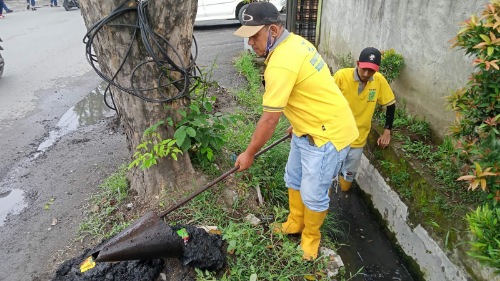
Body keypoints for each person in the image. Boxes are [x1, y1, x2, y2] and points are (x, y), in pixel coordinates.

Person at [233, 2, 358, 260]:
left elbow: (268, 120)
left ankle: (311, 236)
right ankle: (295, 222)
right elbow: (312, 86)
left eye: (254, 36)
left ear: (274, 31)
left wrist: (249, 153)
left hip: (327, 135)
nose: (250, 43)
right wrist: (298, 119)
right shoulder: (297, 42)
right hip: (306, 128)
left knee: (314, 194)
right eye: (248, 37)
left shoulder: (281, 63)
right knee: (293, 177)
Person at [332, 47, 396, 192]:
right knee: (328, 175)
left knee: (349, 174)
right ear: (357, 63)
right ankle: (323, 209)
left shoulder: (378, 80)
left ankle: (343, 194)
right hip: (336, 138)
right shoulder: (341, 76)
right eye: (364, 69)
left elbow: (390, 104)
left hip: (358, 139)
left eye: (371, 70)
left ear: (377, 69)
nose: (367, 74)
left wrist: (387, 131)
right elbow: (325, 102)